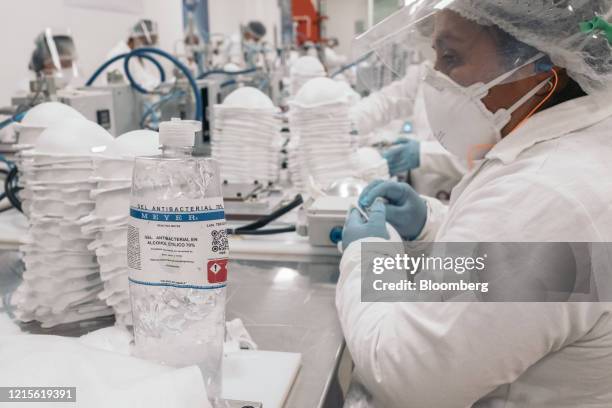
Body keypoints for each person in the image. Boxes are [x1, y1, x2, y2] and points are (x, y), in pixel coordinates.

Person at [339, 1, 612, 407]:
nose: (436, 77)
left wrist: (367, 257)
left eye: (452, 56)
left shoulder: (543, 197)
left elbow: (406, 374)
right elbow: (523, 266)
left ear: (540, 63)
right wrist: (431, 225)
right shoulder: (575, 147)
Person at [350, 59, 465, 199]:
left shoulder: (482, 75)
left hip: (461, 195)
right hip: (424, 195)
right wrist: (349, 122)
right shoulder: (427, 68)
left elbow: (484, 154)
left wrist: (424, 154)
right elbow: (389, 100)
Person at [101, 19, 160, 90]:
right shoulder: (118, 55)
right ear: (137, 37)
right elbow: (120, 89)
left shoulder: (140, 56)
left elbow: (149, 80)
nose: (149, 47)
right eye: (147, 43)